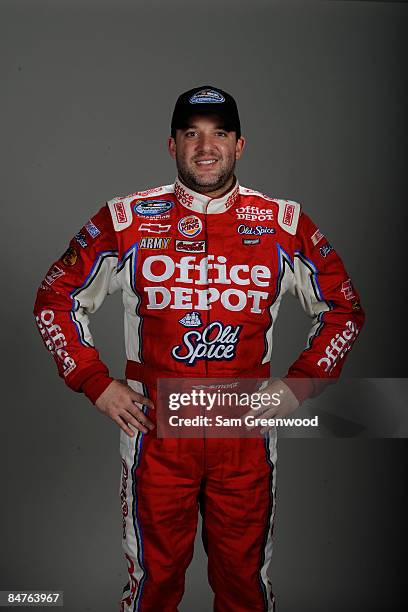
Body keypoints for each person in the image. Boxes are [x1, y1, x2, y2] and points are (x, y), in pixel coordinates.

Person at [34, 85, 365, 611]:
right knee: (152, 587)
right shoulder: (128, 219)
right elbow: (55, 298)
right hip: (157, 435)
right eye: (192, 134)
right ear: (173, 146)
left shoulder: (282, 222)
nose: (205, 146)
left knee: (244, 588)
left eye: (219, 134)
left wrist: (299, 385)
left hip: (244, 434)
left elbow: (344, 309)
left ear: (240, 144)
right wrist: (96, 385)